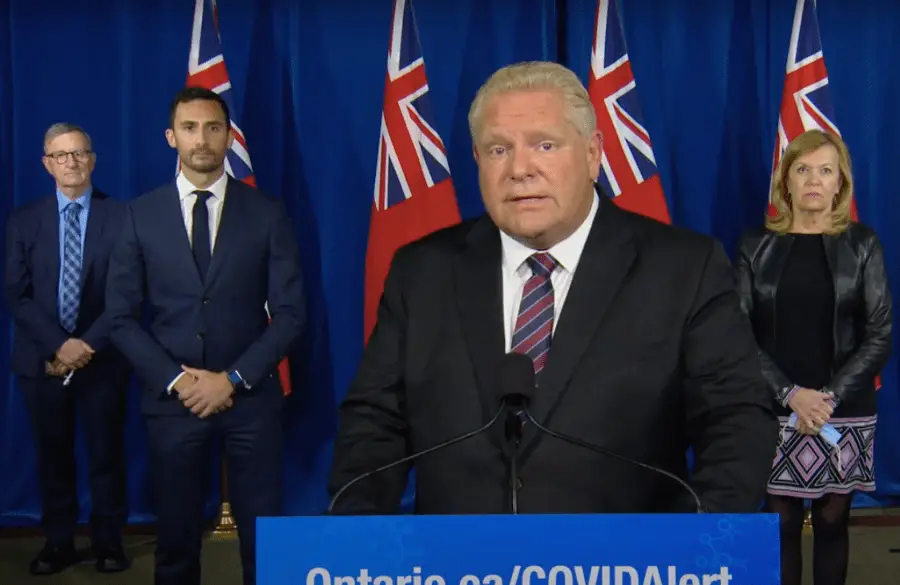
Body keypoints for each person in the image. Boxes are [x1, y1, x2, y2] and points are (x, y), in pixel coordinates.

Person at [327, 61, 778, 515]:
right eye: (498, 149)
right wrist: (358, 541)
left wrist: (699, 549)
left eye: (544, 144)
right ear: (478, 161)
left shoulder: (683, 268)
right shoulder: (421, 272)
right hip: (456, 565)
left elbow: (735, 422)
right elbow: (374, 425)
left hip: (626, 567)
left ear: (592, 154)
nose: (520, 168)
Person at [105, 87, 305, 585]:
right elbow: (120, 318)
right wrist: (178, 381)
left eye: (213, 128)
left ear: (227, 135)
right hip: (173, 403)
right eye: (190, 128)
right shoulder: (139, 215)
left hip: (251, 401)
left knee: (264, 540)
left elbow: (290, 315)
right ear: (171, 137)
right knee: (174, 540)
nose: (202, 139)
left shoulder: (266, 212)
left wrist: (232, 379)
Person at [734, 129, 892, 585]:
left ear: (841, 182)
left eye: (826, 171)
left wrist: (827, 399)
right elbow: (736, 334)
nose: (814, 181)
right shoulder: (754, 245)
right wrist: (790, 395)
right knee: (779, 525)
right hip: (773, 409)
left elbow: (880, 333)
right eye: (802, 170)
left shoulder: (863, 244)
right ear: (785, 181)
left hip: (843, 411)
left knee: (831, 522)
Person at [3, 123, 131, 575]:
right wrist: (59, 345)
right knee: (52, 458)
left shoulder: (121, 218)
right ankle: (57, 543)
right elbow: (15, 294)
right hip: (42, 361)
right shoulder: (24, 220)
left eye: (78, 154)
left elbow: (126, 295)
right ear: (47, 164)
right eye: (60, 156)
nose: (71, 163)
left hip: (104, 360)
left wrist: (85, 346)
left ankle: (108, 543)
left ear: (92, 160)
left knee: (106, 458)